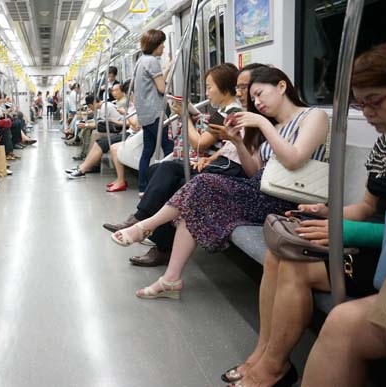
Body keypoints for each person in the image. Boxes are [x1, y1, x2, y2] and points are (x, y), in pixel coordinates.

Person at [112, 67, 328, 304]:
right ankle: (170, 279)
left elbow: (294, 159)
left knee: (202, 184)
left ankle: (145, 226)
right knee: (194, 203)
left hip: (288, 199)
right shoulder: (273, 126)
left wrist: (263, 125)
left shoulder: (313, 116)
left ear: (281, 87)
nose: (256, 101)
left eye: (259, 94)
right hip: (261, 191)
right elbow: (254, 171)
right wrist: (238, 141)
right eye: (253, 98)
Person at [275, 42, 386, 387]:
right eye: (359, 102)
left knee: (341, 319)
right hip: (377, 241)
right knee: (285, 256)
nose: (366, 112)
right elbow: (369, 207)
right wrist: (329, 214)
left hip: (376, 245)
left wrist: (346, 233)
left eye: (375, 100)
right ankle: (270, 363)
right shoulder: (384, 143)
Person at [104, 63, 266, 267]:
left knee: (173, 176)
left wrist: (184, 117)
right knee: (164, 171)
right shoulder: (238, 113)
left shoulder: (235, 114)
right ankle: (153, 235)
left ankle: (145, 226)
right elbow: (230, 148)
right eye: (239, 87)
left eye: (209, 87)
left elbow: (200, 143)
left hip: (231, 172)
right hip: (221, 163)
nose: (240, 92)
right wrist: (212, 157)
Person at [67, 84, 138, 180]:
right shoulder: (130, 106)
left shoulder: (107, 107)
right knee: (94, 134)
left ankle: (89, 165)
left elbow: (134, 125)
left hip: (122, 130)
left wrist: (123, 115)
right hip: (122, 128)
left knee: (95, 134)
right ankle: (86, 164)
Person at [134, 29, 174, 193]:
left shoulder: (141, 61)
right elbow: (162, 88)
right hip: (156, 113)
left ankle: (143, 188)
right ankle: (168, 186)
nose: (163, 47)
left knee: (147, 152)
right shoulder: (152, 61)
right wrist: (169, 71)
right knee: (170, 148)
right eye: (161, 44)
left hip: (145, 115)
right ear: (155, 45)